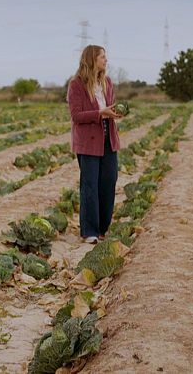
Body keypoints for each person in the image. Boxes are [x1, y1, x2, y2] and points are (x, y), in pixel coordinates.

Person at [67, 45, 123, 244]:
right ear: (92, 60)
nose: (106, 60)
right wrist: (100, 113)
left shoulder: (107, 82)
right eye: (102, 57)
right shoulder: (76, 84)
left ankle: (102, 228)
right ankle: (89, 230)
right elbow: (76, 116)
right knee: (90, 185)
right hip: (88, 141)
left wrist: (115, 113)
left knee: (109, 181)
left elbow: (109, 108)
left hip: (108, 138)